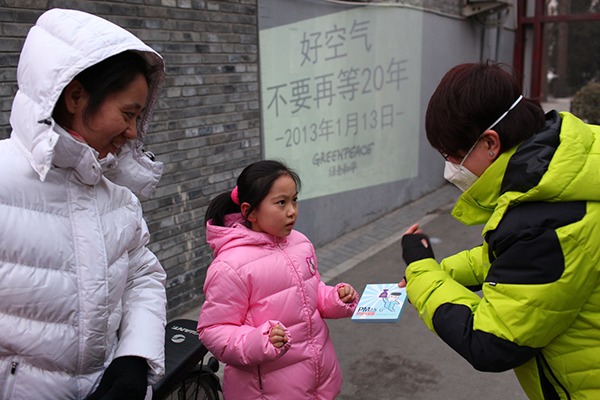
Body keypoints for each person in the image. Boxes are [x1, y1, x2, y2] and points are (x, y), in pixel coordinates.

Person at [399, 60, 600, 399]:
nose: (450, 168)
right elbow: (519, 261)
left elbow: (492, 341)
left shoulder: (546, 217)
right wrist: (441, 270)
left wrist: (420, 273)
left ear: (491, 143)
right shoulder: (564, 164)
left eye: (453, 156)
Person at [0, 8, 167, 400]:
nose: (131, 132)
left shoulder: (118, 197)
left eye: (138, 117)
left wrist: (134, 357)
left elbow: (144, 277)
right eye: (127, 114)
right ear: (76, 96)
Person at [197, 160, 359, 399]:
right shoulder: (230, 266)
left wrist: (336, 298)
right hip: (267, 392)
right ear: (249, 212)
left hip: (319, 378)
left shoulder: (300, 243)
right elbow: (213, 330)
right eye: (281, 202)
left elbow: (311, 293)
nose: (292, 210)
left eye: (294, 200)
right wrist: (259, 340)